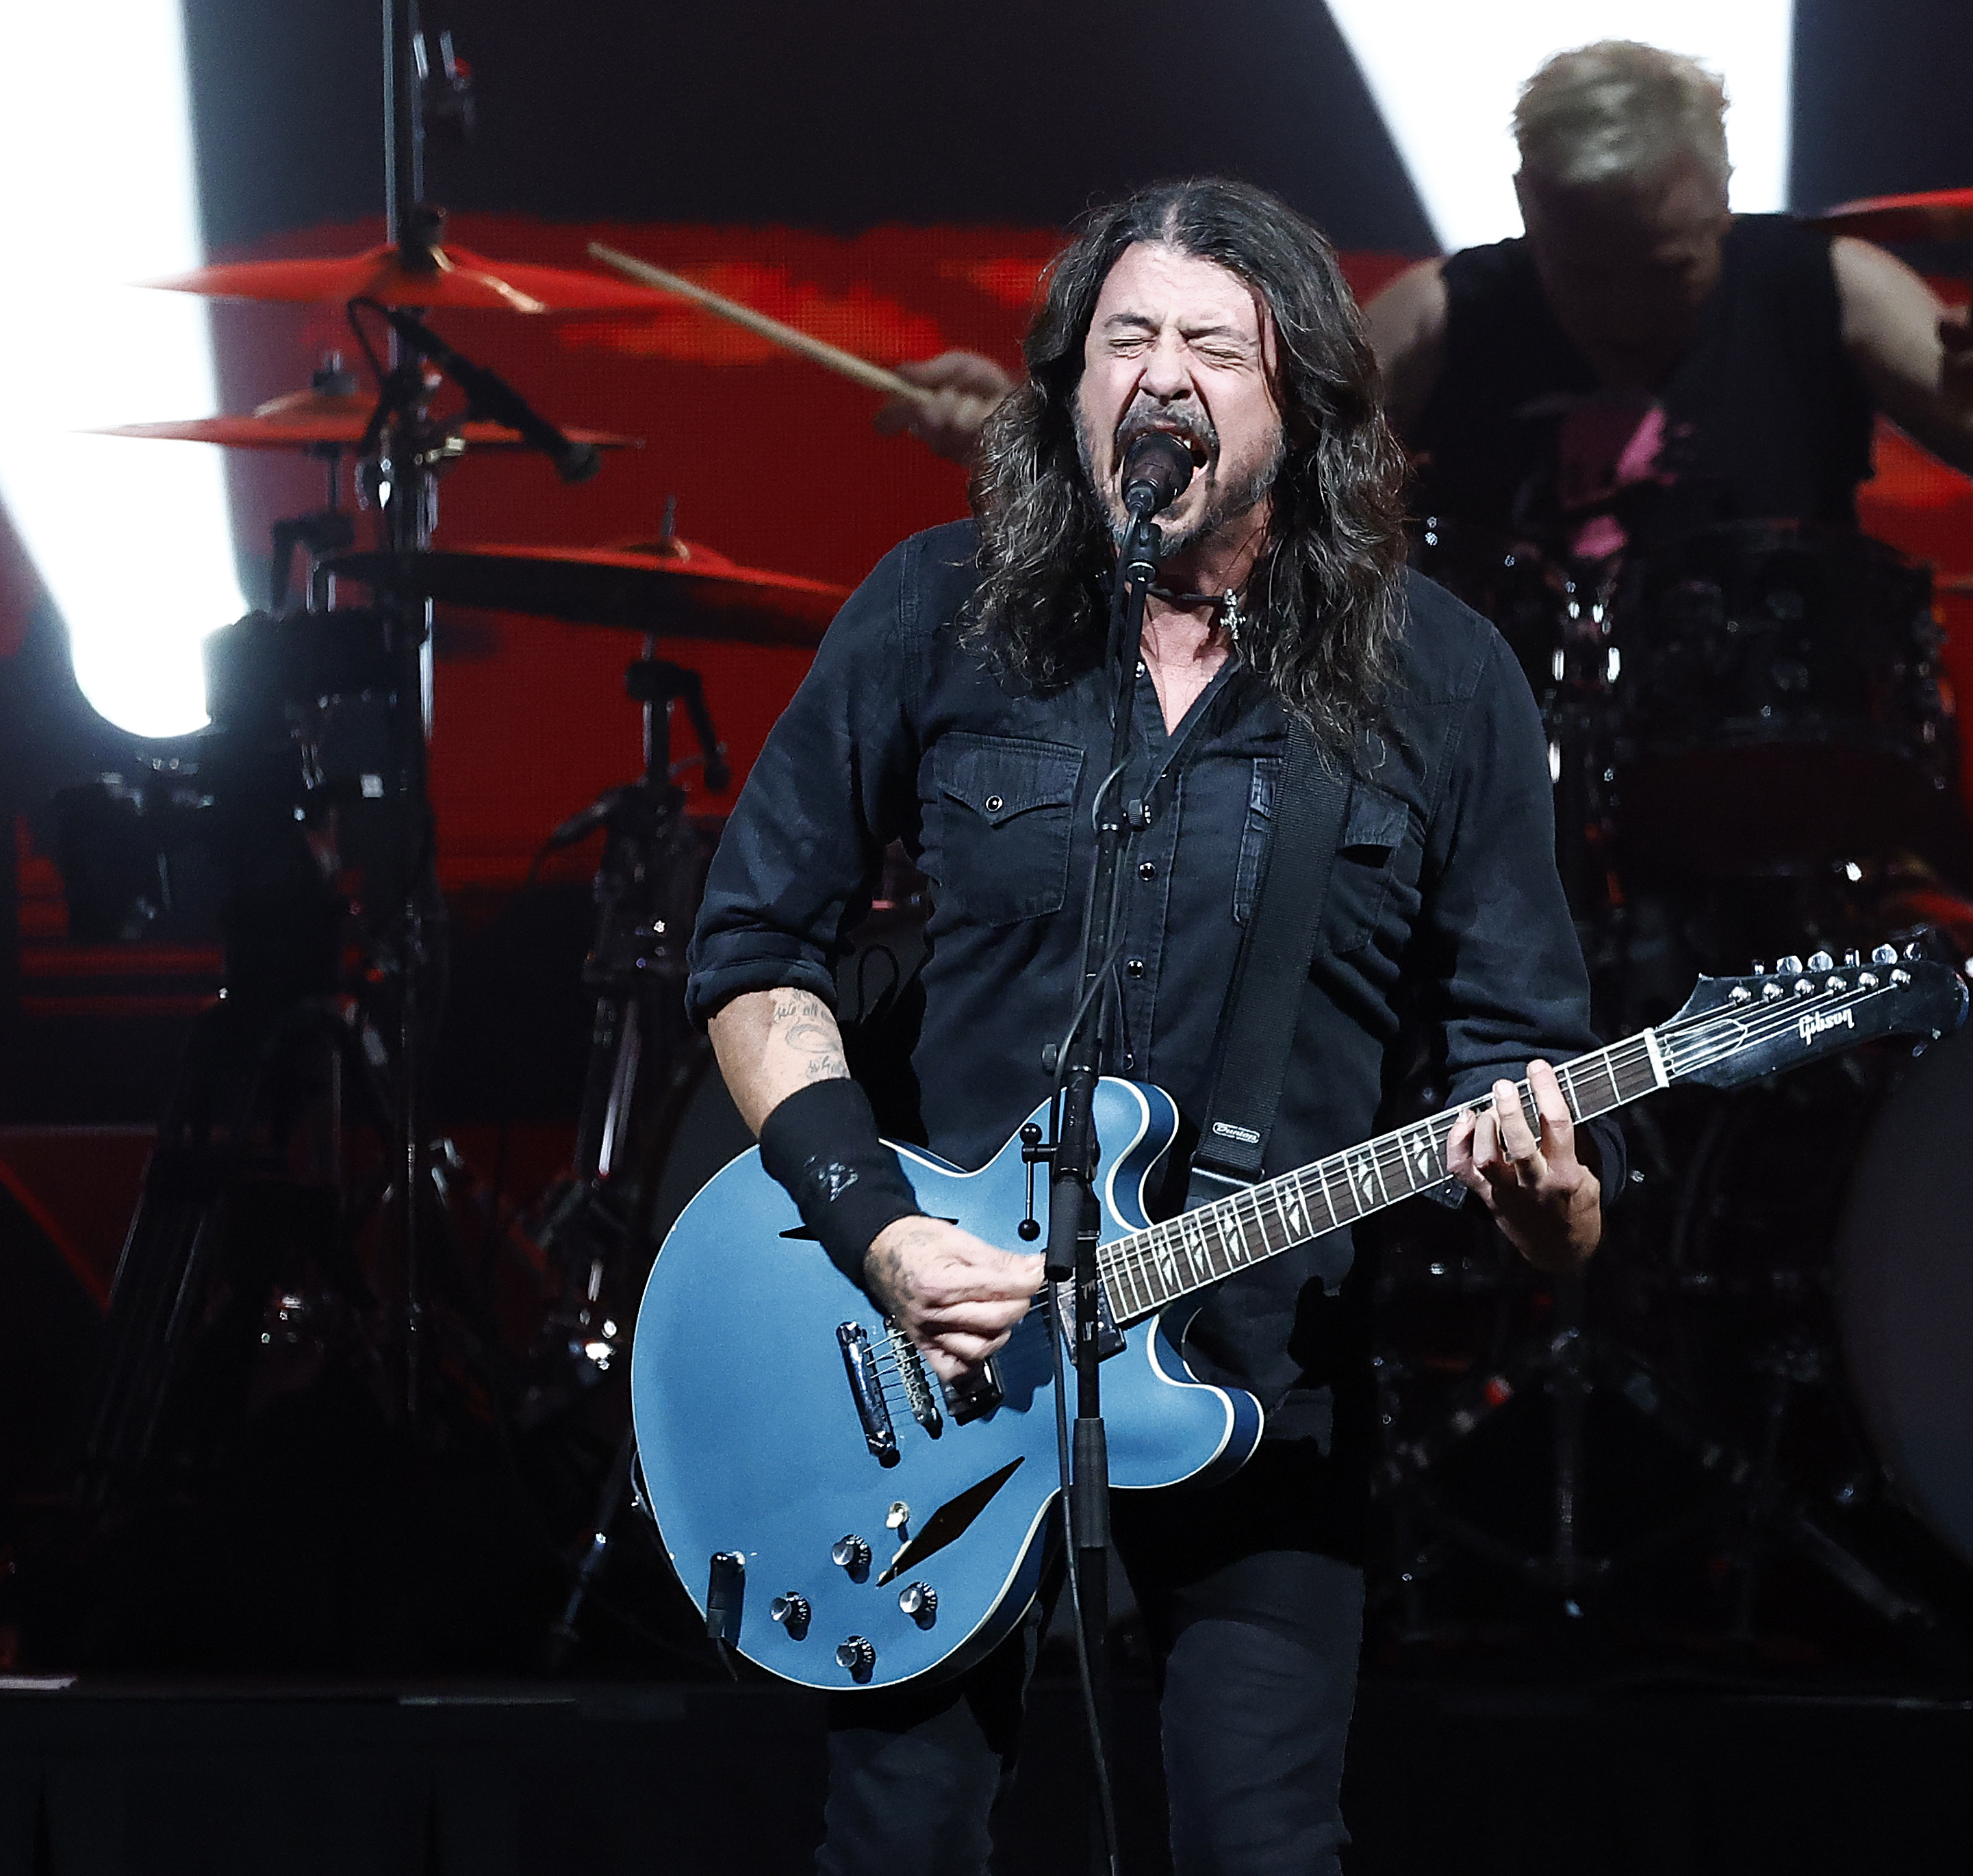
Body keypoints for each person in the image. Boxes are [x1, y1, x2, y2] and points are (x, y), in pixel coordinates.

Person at [689, 177, 1622, 1875]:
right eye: (1129, 337)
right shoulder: (937, 608)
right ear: (1070, 384)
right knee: (898, 1844)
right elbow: (757, 951)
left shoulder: (1444, 677)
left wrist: (1548, 1198)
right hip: (940, 1370)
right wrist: (880, 1233)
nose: (1166, 374)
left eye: (1215, 341)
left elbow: (1528, 1065)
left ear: (1303, 400)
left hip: (1262, 1385)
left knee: (1260, 1846)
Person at [877, 41, 1973, 541]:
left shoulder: (1830, 285)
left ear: (1725, 186)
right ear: (1526, 209)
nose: (1633, 309)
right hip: (1496, 767)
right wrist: (1033, 429)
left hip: (1792, 773)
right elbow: (1232, 490)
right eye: (1594, 270)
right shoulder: (1439, 318)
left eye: (1672, 265)